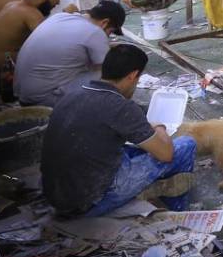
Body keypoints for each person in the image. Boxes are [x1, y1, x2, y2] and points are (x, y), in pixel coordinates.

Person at [41, 44, 196, 217]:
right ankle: (177, 213)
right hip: (90, 202)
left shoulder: (72, 94)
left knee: (130, 149)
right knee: (185, 145)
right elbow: (166, 154)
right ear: (133, 76)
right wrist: (159, 126)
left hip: (56, 195)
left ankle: (157, 191)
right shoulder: (120, 106)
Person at [14, 0, 126, 107]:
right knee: (113, 74)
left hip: (23, 95)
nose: (107, 36)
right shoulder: (95, 32)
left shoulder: (59, 17)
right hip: (43, 99)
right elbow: (107, 67)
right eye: (110, 32)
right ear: (105, 23)